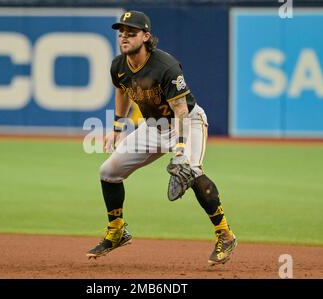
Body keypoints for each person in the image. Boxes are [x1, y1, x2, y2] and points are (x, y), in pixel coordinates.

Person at [86, 11, 237, 265]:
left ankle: (225, 233)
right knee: (108, 171)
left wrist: (179, 150)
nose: (124, 36)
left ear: (145, 37)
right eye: (121, 32)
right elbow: (122, 92)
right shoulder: (119, 65)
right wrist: (117, 127)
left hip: (187, 122)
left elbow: (180, 110)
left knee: (191, 171)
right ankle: (117, 232)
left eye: (131, 32)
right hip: (152, 127)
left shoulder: (165, 66)